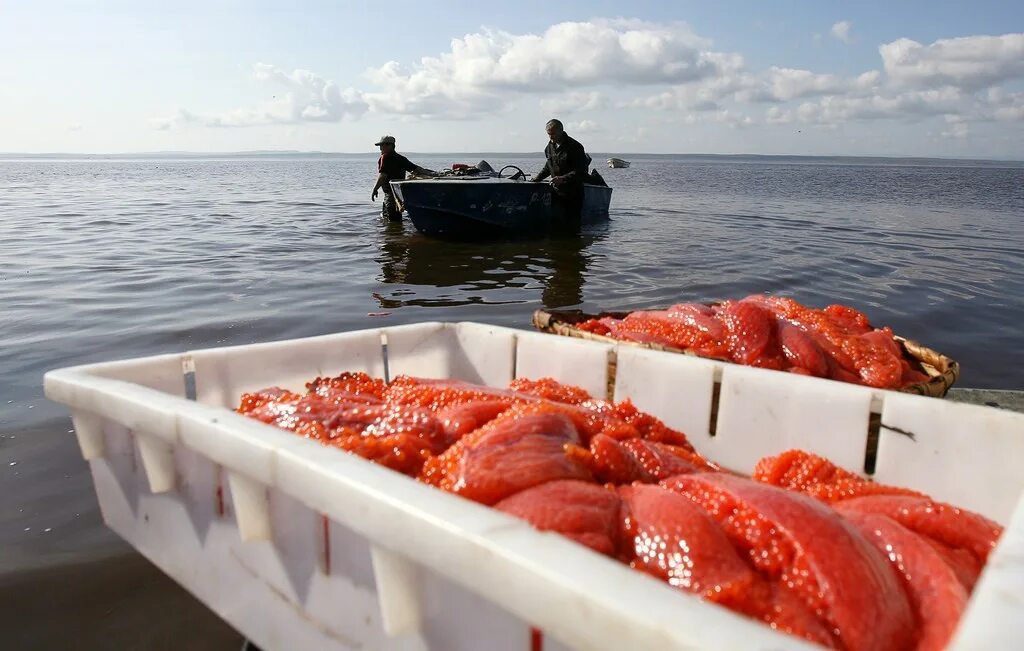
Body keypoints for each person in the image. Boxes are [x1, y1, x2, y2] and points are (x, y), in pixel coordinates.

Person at [530, 119, 591, 232]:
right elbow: (548, 167)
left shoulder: (575, 147)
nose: (551, 137)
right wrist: (537, 179)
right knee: (556, 227)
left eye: (553, 134)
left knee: (573, 228)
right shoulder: (549, 148)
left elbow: (581, 171)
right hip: (557, 193)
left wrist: (563, 179)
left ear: (561, 131)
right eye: (549, 134)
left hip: (573, 193)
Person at [371, 135, 437, 221]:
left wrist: (375, 189)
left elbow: (383, 175)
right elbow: (417, 169)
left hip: (390, 195)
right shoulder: (401, 158)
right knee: (394, 220)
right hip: (398, 194)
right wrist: (433, 174)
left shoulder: (385, 157)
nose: (380, 149)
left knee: (392, 221)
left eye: (382, 146)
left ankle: (393, 234)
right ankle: (398, 233)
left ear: (390, 145)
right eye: (380, 146)